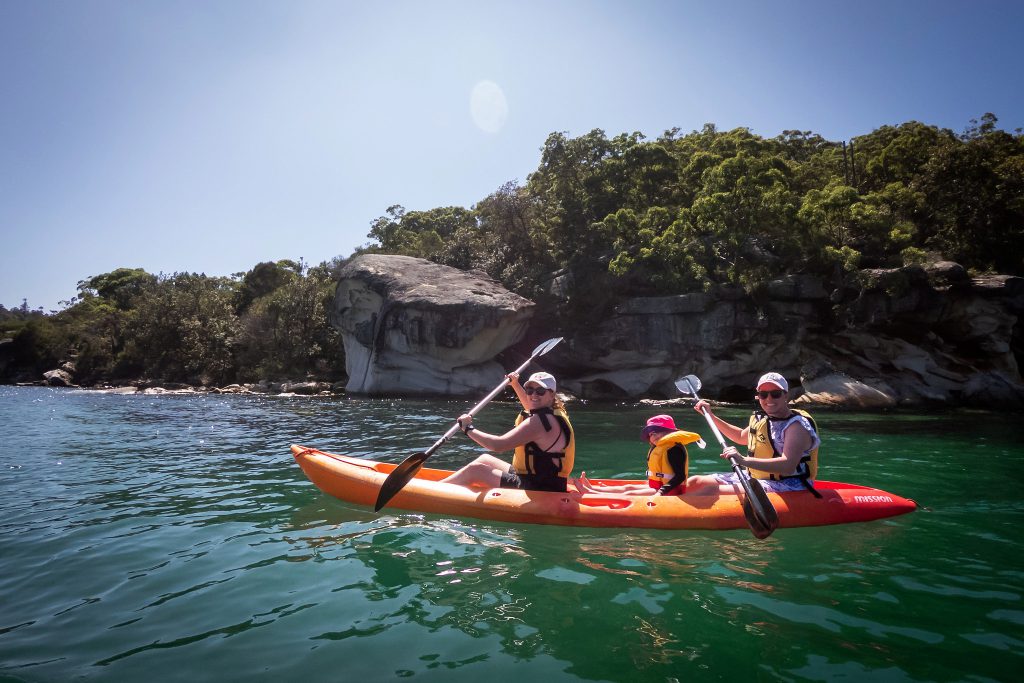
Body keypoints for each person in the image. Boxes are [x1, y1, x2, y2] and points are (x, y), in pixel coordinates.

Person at [687, 372, 821, 496]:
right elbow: (740, 437)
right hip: (757, 477)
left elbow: (788, 466)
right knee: (695, 482)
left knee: (710, 491)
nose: (769, 398)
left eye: (775, 394)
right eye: (763, 394)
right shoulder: (763, 420)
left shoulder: (796, 426)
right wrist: (711, 416)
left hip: (789, 485)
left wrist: (743, 460)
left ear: (786, 395)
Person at [440, 371, 575, 492]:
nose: (534, 394)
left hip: (539, 486)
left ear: (551, 394)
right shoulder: (555, 412)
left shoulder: (538, 422)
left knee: (475, 470)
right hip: (544, 480)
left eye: (540, 391)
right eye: (529, 390)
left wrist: (468, 429)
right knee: (485, 459)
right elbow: (531, 405)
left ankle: (433, 490)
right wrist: (515, 384)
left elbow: (498, 445)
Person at [574, 414, 704, 496]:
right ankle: (594, 489)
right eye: (651, 434)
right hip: (657, 486)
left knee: (631, 492)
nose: (653, 436)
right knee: (628, 487)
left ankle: (591, 493)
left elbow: (680, 476)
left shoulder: (674, 449)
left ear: (669, 433)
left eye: (657, 432)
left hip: (670, 491)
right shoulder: (659, 448)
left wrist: (661, 492)